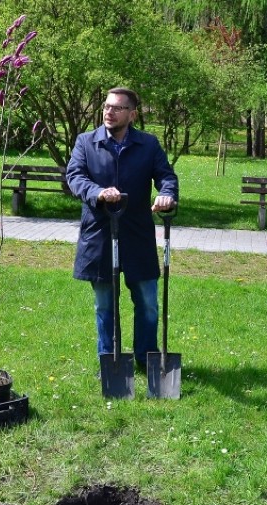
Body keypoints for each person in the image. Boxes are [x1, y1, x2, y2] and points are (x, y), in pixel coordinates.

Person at [66, 87, 179, 371]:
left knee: (148, 303)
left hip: (137, 235)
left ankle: (146, 357)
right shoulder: (86, 142)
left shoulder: (148, 145)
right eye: (106, 106)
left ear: (132, 114)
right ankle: (110, 361)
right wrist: (98, 192)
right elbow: (75, 177)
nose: (109, 112)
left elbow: (166, 176)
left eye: (117, 108)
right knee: (105, 305)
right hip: (100, 236)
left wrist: (166, 194)